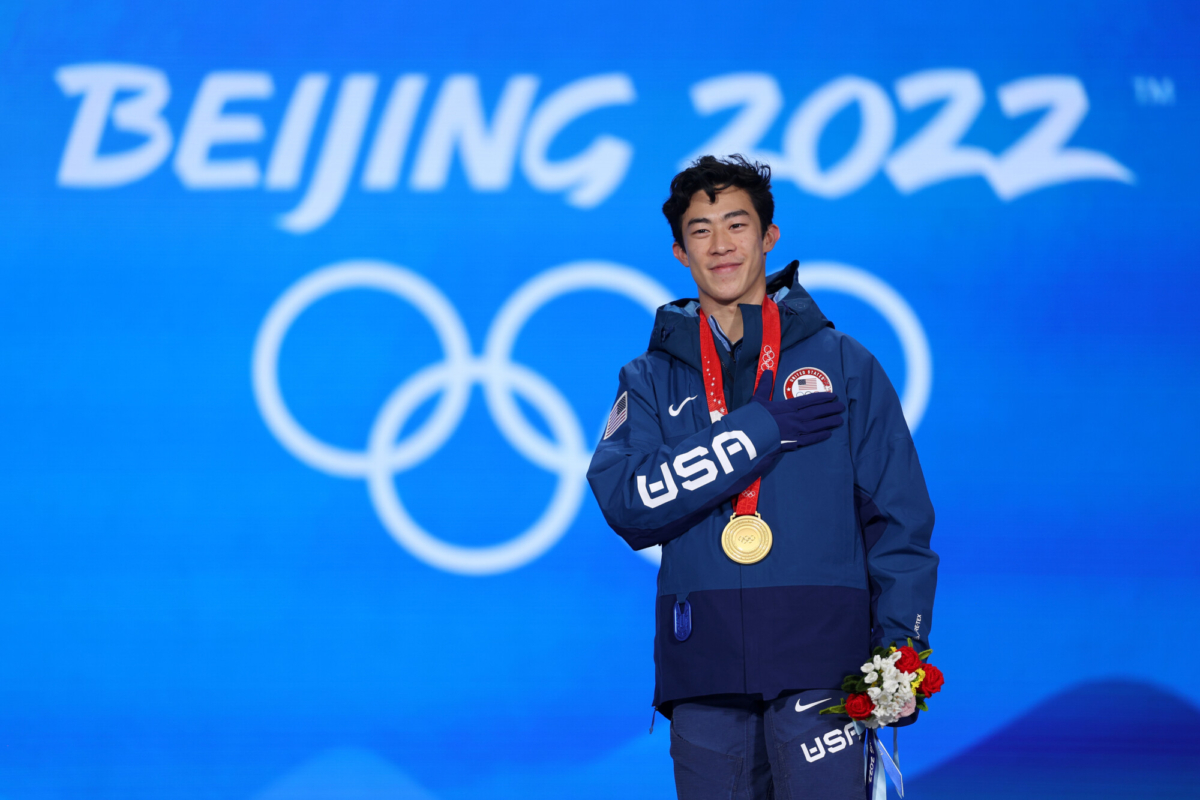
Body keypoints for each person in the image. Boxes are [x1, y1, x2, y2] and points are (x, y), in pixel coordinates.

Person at [586, 155, 938, 799]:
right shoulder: (648, 378)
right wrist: (759, 430)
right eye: (701, 230)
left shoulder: (844, 363)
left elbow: (900, 519)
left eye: (737, 224)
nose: (720, 245)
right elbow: (629, 502)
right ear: (679, 252)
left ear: (769, 237)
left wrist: (900, 653)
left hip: (826, 666)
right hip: (706, 666)